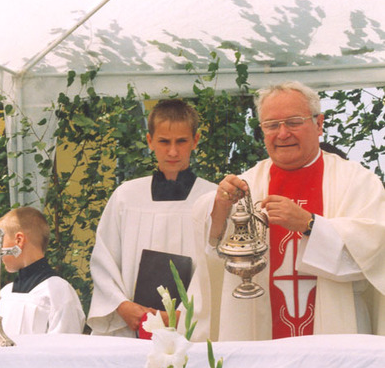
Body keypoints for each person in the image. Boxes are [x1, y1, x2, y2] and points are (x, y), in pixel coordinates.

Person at [197, 81, 385, 340]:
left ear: (319, 124)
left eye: (294, 122)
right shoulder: (245, 186)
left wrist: (310, 224)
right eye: (272, 125)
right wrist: (219, 206)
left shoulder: (357, 181)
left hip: (337, 332)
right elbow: (213, 249)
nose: (283, 133)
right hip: (260, 335)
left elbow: (374, 254)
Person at [87, 99, 220, 340]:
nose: (173, 151)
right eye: (164, 141)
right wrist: (122, 306)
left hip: (190, 329)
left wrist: (183, 315)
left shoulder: (212, 198)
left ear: (195, 140)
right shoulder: (126, 197)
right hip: (130, 326)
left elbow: (216, 267)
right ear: (150, 141)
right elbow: (104, 259)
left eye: (181, 141)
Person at [0, 207, 85, 336]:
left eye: (0, 241)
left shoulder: (58, 291)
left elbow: (64, 345)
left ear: (19, 240)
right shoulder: (4, 294)